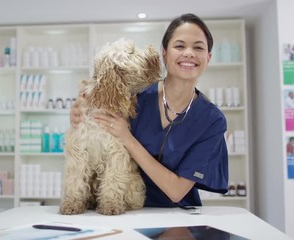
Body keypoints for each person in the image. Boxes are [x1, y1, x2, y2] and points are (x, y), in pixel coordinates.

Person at [71, 13, 228, 208]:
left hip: (177, 216)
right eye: (179, 46)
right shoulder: (136, 96)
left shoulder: (211, 120)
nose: (189, 53)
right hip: (122, 206)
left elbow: (177, 192)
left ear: (208, 57)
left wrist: (127, 138)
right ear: (164, 54)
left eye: (198, 47)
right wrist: (79, 108)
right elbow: (98, 100)